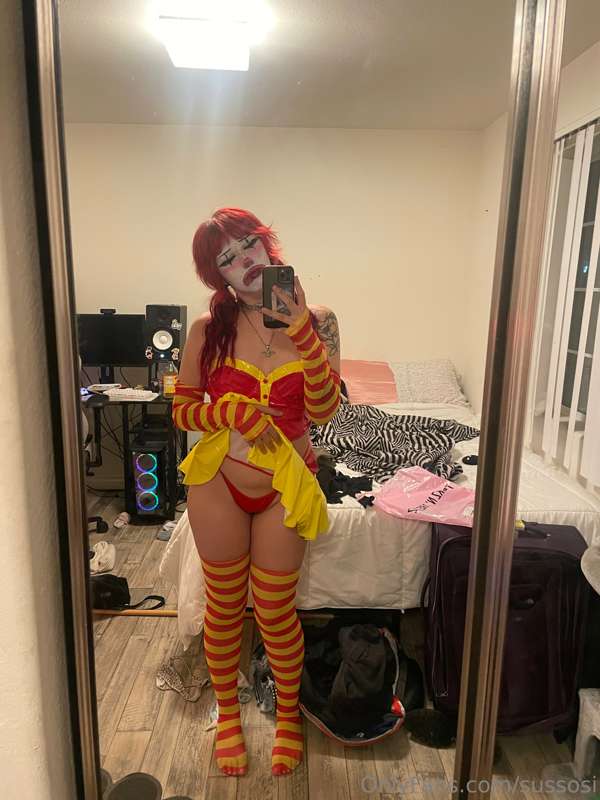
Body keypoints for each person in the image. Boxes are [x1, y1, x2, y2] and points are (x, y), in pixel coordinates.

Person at [172, 207, 341, 777]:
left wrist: (301, 330)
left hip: (285, 484)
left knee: (274, 610)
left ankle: (288, 718)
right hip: (219, 481)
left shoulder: (317, 320)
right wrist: (231, 411)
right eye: (226, 258)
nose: (243, 261)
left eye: (248, 245)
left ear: (268, 246)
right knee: (223, 607)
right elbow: (183, 409)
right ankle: (228, 716)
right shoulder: (207, 329)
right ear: (216, 276)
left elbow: (325, 409)